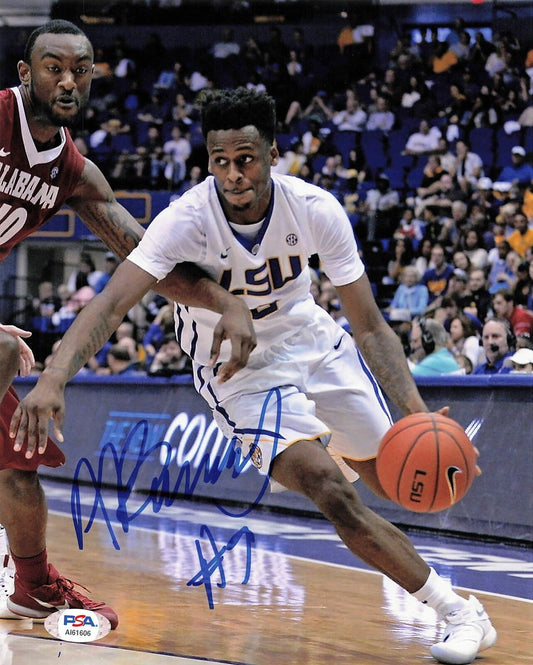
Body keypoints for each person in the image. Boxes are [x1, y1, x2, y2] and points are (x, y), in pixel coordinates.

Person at [12, 88, 496, 665]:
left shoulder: (315, 208)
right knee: (330, 491)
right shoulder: (186, 218)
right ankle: (459, 611)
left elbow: (369, 327)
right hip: (238, 372)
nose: (233, 174)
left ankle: (362, 465)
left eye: (245, 159)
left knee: (401, 482)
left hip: (313, 342)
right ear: (208, 160)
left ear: (272, 152)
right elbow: (111, 305)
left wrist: (416, 415)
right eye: (220, 162)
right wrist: (53, 376)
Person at [0, 21, 256, 626]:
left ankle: (32, 582)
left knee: (19, 454)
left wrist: (228, 302)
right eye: (53, 66)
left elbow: (147, 261)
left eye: (80, 69)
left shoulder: (73, 173)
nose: (67, 80)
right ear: (24, 73)